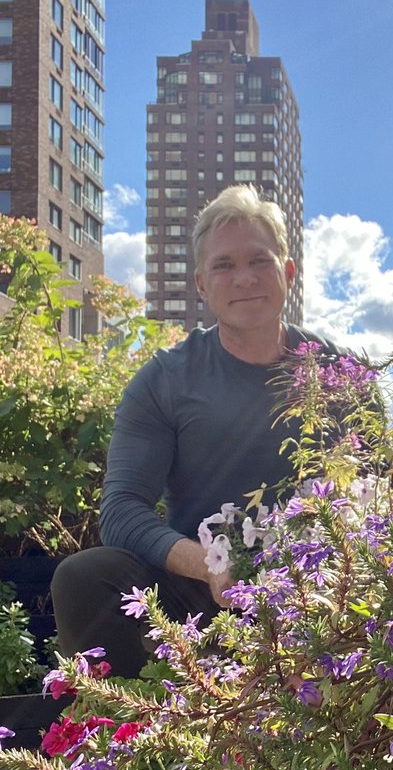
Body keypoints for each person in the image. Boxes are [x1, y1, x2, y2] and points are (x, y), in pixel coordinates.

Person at [51, 185, 342, 677]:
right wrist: (211, 564)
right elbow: (121, 511)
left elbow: (386, 492)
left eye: (260, 261)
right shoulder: (166, 380)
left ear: (288, 273)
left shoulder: (335, 371)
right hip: (206, 589)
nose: (244, 278)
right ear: (202, 286)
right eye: (224, 266)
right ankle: (124, 734)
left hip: (324, 584)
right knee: (84, 577)